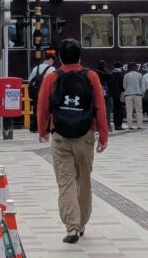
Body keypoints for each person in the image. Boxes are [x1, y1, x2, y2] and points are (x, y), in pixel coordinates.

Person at [36, 38, 108, 244]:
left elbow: (42, 107)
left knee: (65, 182)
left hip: (60, 134)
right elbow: (100, 107)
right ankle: (82, 223)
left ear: (59, 57)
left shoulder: (52, 77)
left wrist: (42, 130)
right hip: (85, 134)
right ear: (80, 56)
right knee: (84, 180)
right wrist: (103, 135)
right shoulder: (91, 76)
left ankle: (72, 227)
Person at [27, 51, 56, 132]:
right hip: (46, 92)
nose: (52, 63)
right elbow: (53, 81)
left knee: (36, 109)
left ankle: (34, 127)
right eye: (53, 61)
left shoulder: (36, 68)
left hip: (36, 92)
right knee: (47, 110)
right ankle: (46, 128)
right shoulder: (52, 69)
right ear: (50, 59)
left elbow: (29, 80)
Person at [121, 60, 145, 130]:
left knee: (129, 111)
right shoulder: (140, 75)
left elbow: (124, 86)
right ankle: (139, 126)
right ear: (135, 68)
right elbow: (142, 86)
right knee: (139, 111)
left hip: (128, 95)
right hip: (138, 94)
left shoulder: (126, 75)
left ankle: (130, 126)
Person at [109, 62, 126, 131]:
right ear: (121, 67)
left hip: (112, 95)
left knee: (115, 110)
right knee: (120, 110)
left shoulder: (111, 74)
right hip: (119, 95)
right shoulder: (121, 75)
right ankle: (119, 125)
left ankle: (115, 125)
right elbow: (123, 86)